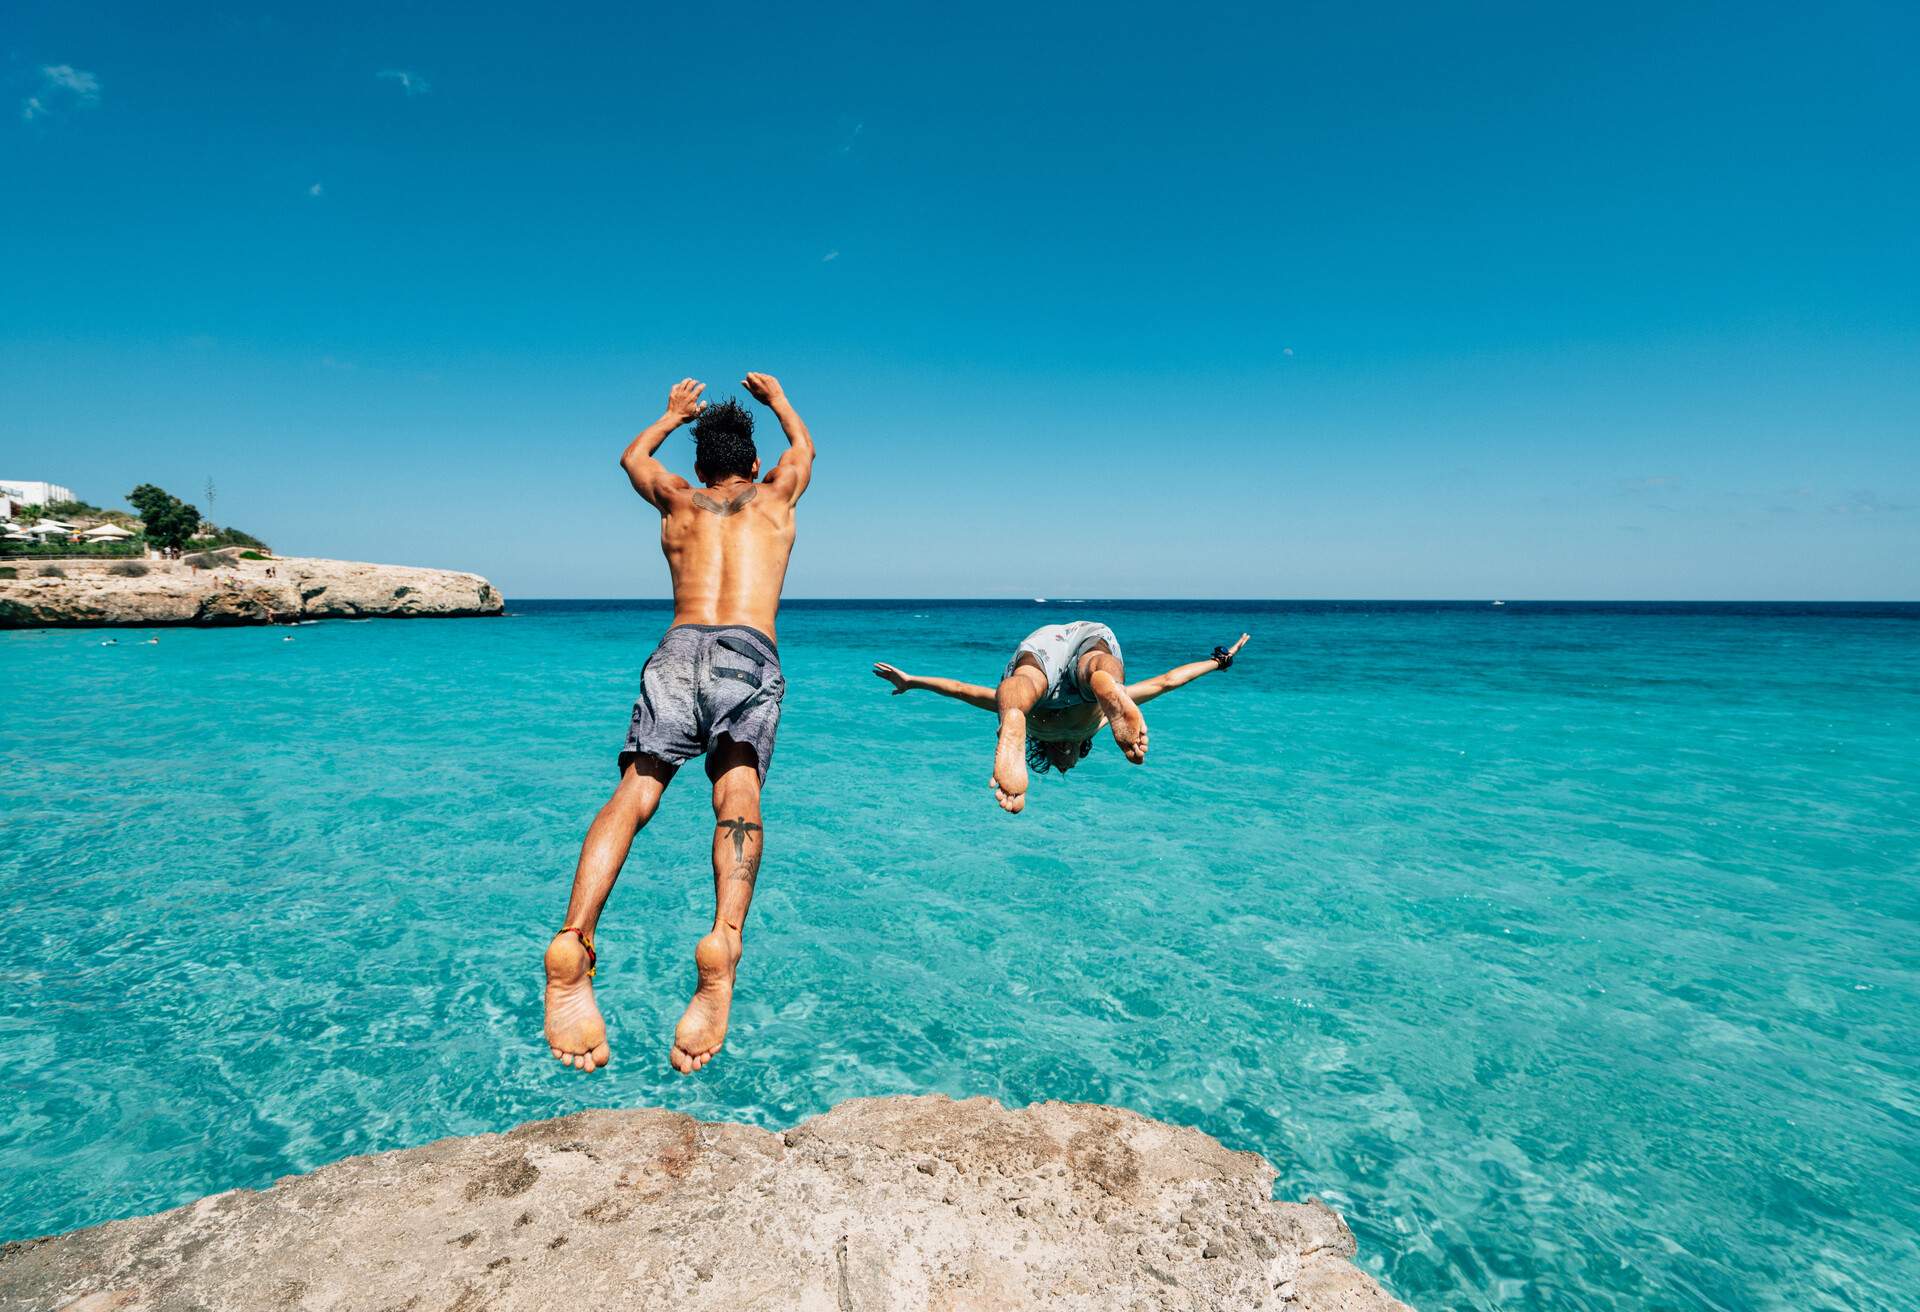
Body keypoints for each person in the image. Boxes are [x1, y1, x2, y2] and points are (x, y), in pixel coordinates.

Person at [544, 373, 815, 1075]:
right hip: (748, 653)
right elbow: (806, 450)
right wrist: (779, 403)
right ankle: (724, 938)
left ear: (698, 468)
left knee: (635, 793)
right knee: (738, 797)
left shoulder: (677, 500)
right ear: (752, 465)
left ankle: (576, 937)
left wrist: (669, 415)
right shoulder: (776, 494)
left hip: (677, 648)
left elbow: (633, 460)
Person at [873, 625, 1250, 813]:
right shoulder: (1095, 720)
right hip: (1070, 652)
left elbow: (1167, 682)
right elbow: (959, 689)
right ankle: (1094, 684)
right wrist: (1219, 661)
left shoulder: (1098, 721)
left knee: (1028, 686)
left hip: (1055, 647)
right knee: (1064, 681)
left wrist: (913, 682)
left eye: (1061, 767)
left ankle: (1082, 690)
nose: (1067, 766)